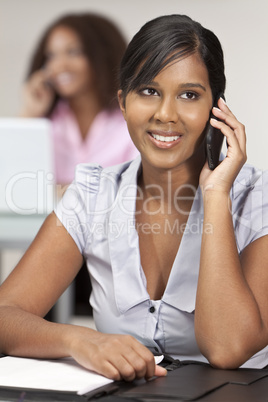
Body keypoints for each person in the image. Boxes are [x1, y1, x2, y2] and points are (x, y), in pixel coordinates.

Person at [1, 14, 268, 381]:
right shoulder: (93, 197)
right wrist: (78, 340)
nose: (165, 114)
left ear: (216, 109)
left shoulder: (256, 199)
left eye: (189, 95)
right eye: (149, 91)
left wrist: (217, 195)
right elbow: (4, 315)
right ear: (123, 102)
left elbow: (228, 349)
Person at [19, 13, 138, 185]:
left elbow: (139, 187)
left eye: (73, 52)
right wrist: (29, 113)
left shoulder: (129, 121)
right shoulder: (45, 123)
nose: (59, 65)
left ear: (102, 54)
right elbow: (13, 179)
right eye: (51, 56)